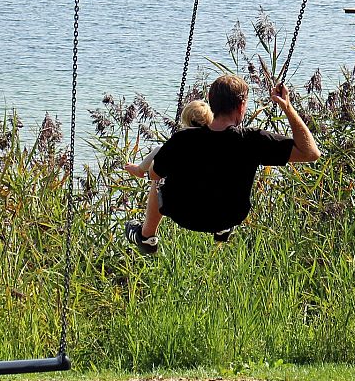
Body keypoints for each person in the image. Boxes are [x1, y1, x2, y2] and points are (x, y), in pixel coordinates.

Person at [124, 74, 320, 254]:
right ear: (241, 105)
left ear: (211, 102)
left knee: (158, 180)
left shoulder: (182, 140)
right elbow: (311, 153)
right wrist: (287, 106)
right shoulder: (253, 140)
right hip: (229, 215)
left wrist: (146, 169)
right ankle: (221, 228)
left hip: (184, 215)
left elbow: (154, 175)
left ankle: (146, 236)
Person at [124, 100, 213, 179]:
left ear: (185, 118)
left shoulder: (181, 137)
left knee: (159, 149)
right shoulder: (213, 136)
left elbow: (155, 172)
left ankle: (140, 170)